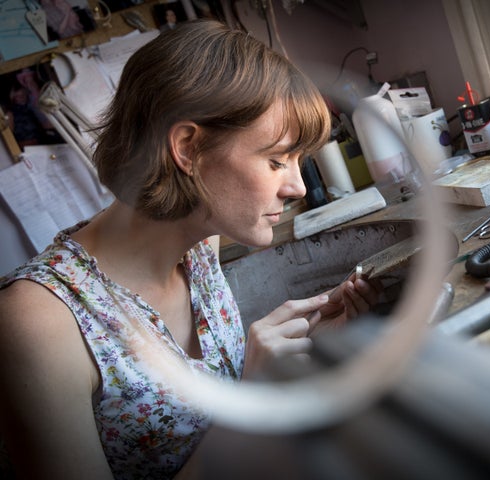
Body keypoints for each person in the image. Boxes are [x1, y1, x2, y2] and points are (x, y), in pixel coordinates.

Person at [0, 19, 380, 479]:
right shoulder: (36, 322)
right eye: (276, 160)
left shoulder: (200, 243)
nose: (298, 187)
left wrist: (306, 345)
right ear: (188, 148)